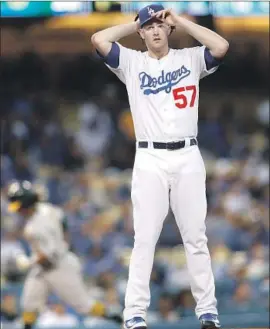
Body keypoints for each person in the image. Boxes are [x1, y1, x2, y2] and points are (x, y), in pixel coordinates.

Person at [91, 4, 229, 329]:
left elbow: (221, 47)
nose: (154, 30)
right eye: (148, 26)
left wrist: (180, 20)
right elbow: (98, 39)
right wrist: (133, 23)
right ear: (141, 31)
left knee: (196, 237)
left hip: (187, 155)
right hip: (150, 157)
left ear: (168, 29)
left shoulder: (190, 58)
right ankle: (134, 315)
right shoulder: (131, 62)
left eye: (159, 25)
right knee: (144, 239)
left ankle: (208, 313)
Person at [6, 180, 122, 329]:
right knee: (29, 302)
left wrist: (27, 263)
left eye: (19, 206)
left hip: (59, 267)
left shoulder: (39, 225)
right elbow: (64, 224)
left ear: (27, 203)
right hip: (47, 265)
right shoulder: (47, 209)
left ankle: (120, 319)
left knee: (84, 306)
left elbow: (49, 256)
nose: (18, 210)